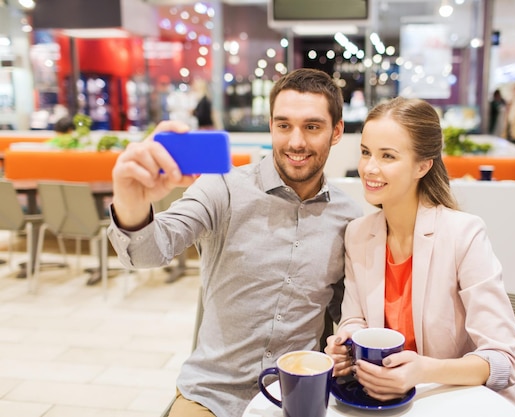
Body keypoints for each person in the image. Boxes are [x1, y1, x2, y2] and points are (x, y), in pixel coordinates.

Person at [107, 68, 362, 417]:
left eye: (312, 127)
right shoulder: (222, 188)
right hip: (211, 397)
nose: (296, 142)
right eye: (284, 125)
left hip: (296, 397)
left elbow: (349, 314)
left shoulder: (349, 218)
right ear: (271, 125)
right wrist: (132, 202)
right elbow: (148, 252)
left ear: (336, 132)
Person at [324, 97, 515, 415]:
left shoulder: (464, 234)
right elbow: (355, 317)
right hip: (387, 404)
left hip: (459, 405)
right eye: (366, 152)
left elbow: (505, 361)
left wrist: (423, 370)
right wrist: (347, 340)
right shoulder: (359, 234)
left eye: (387, 156)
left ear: (423, 165)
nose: (370, 168)